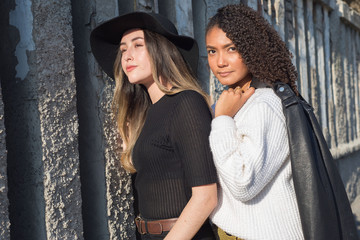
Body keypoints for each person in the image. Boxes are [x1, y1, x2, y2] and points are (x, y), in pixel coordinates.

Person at [205, 4, 357, 240]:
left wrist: (222, 120)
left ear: (252, 49)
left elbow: (243, 183)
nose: (220, 61)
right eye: (212, 51)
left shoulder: (264, 105)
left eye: (231, 48)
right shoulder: (241, 102)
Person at [90, 11, 218, 240]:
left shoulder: (187, 102)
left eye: (138, 45)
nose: (127, 56)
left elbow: (206, 197)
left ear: (162, 50)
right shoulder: (146, 113)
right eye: (123, 50)